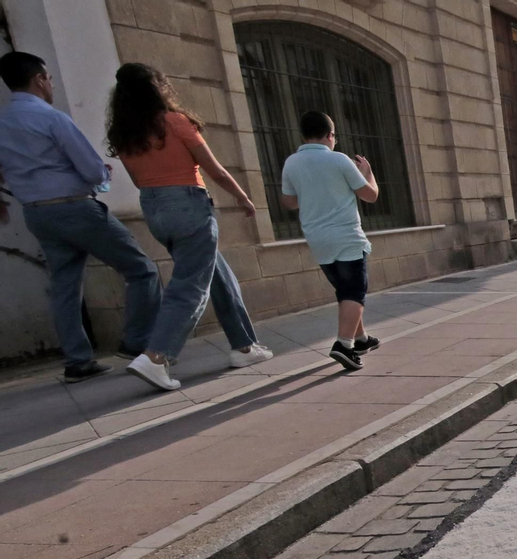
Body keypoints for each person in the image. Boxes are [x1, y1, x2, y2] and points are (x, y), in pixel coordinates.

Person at [106, 63, 270, 391]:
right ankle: (156, 357)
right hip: (188, 205)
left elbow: (140, 180)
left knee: (218, 276)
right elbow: (215, 169)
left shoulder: (123, 135)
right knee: (191, 286)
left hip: (155, 209)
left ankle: (244, 347)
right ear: (158, 88)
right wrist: (243, 198)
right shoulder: (175, 122)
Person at [0, 51, 160, 382]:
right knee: (141, 270)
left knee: (65, 285)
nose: (51, 84)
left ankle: (77, 360)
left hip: (37, 213)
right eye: (50, 79)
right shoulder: (52, 118)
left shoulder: (3, 124)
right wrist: (103, 175)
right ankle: (135, 343)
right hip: (74, 206)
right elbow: (89, 167)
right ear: (39, 80)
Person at [280, 111, 380, 371]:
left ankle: (360, 339)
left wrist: (314, 193)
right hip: (346, 235)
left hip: (317, 238)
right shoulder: (339, 160)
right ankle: (344, 345)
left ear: (303, 134)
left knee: (344, 290)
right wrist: (368, 173)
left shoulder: (292, 162)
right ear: (330, 135)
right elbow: (370, 195)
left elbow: (288, 202)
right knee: (355, 291)